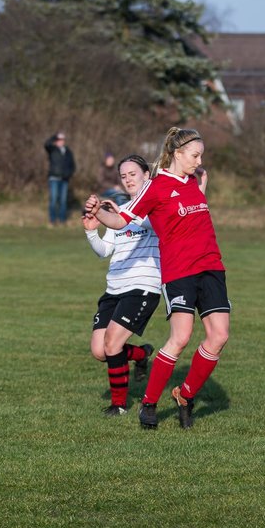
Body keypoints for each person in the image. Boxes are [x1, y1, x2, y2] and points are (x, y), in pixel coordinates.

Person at [86, 127, 229, 431]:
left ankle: (185, 396)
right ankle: (149, 404)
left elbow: (191, 211)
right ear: (178, 154)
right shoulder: (155, 187)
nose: (200, 160)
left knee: (219, 336)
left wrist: (201, 184)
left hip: (212, 268)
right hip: (180, 273)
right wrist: (99, 214)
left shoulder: (192, 181)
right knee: (180, 338)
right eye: (195, 154)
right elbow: (120, 220)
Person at [82, 154, 160, 416]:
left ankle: (119, 405)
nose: (127, 179)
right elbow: (104, 250)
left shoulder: (158, 206)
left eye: (133, 174)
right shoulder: (123, 208)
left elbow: (144, 220)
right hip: (114, 288)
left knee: (112, 345)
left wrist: (115, 213)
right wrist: (92, 228)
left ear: (146, 175)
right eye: (123, 176)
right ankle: (141, 354)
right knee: (99, 351)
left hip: (142, 288)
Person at [44, 132, 76, 226]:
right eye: (58, 140)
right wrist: (54, 136)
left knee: (63, 201)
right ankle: (52, 221)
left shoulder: (68, 151)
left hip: (64, 180)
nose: (60, 141)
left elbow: (72, 165)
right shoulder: (52, 149)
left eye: (62, 140)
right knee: (53, 200)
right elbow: (46, 144)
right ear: (56, 141)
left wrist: (68, 174)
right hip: (54, 178)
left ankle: (62, 221)